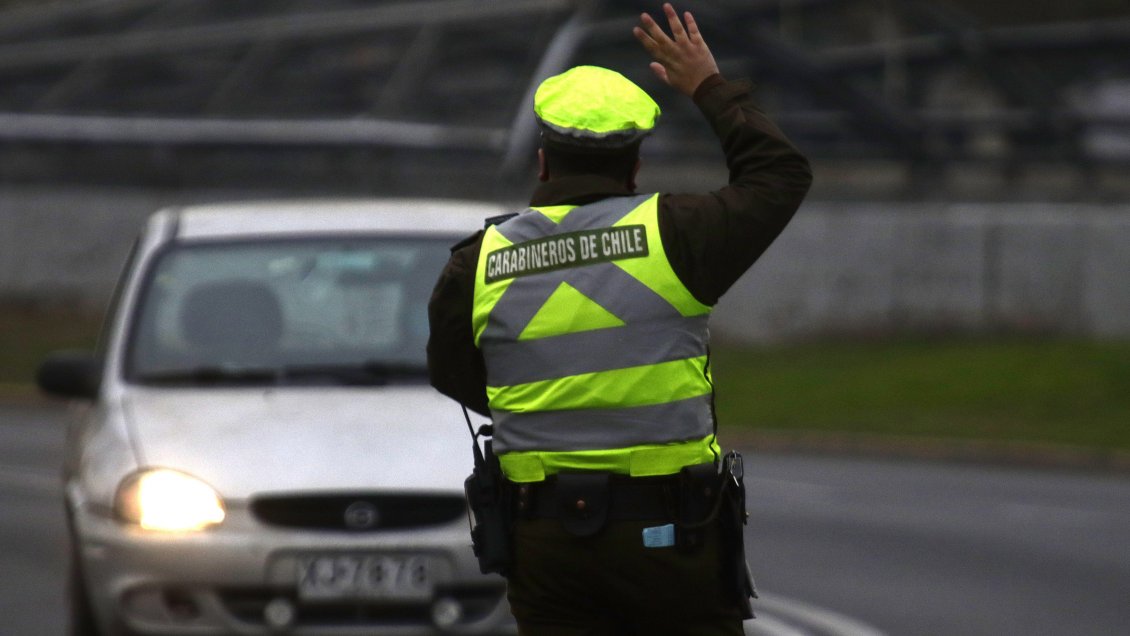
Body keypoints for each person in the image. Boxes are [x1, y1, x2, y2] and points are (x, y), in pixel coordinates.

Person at [428, 3, 812, 634]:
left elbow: (454, 374)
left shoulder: (479, 264)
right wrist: (707, 85)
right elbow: (780, 174)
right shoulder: (677, 236)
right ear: (633, 167)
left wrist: (550, 401)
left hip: (547, 542)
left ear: (544, 161)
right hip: (673, 539)